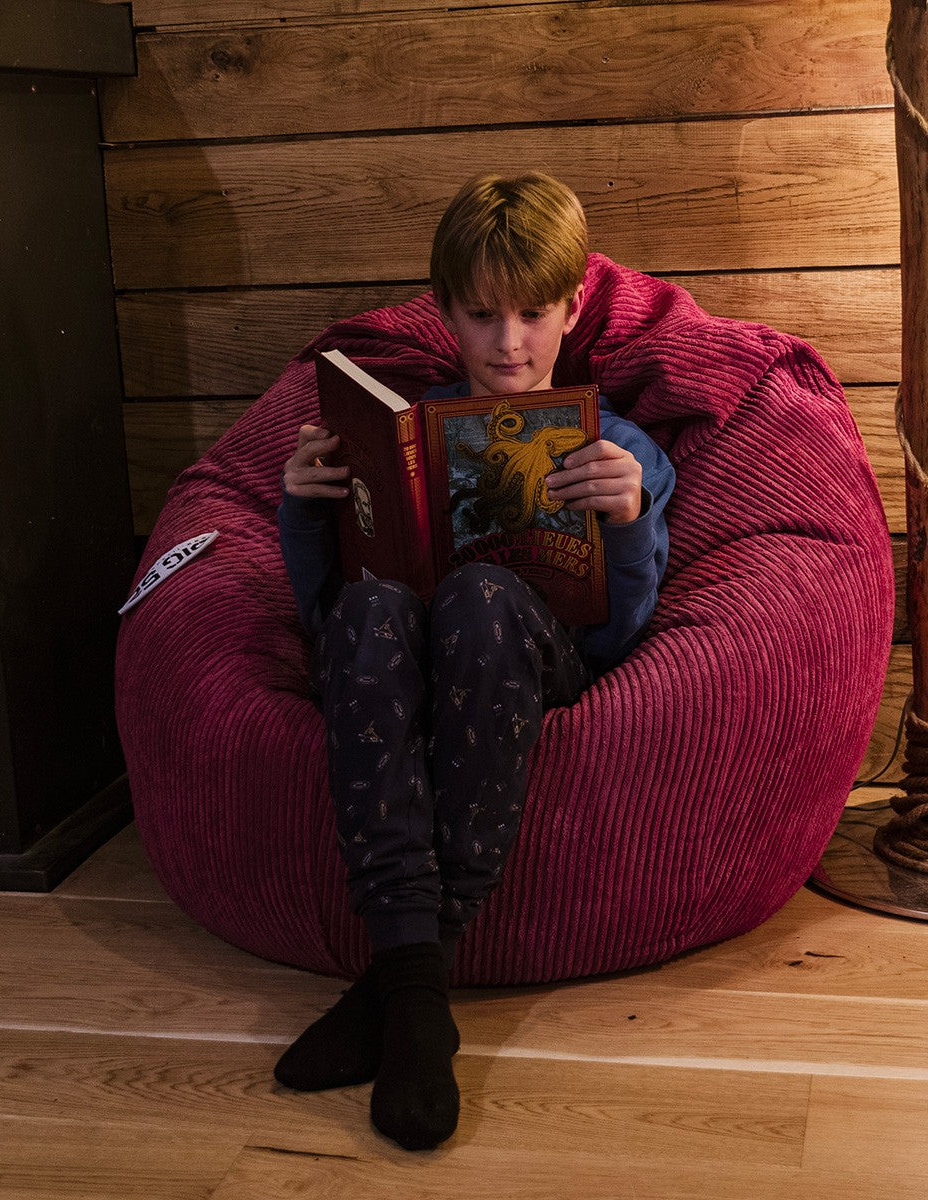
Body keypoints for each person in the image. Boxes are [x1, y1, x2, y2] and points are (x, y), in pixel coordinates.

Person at [273, 172, 676, 1151]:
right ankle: (417, 990)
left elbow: (620, 638)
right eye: (483, 315)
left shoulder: (619, 449)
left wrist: (625, 521)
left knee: (479, 595)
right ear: (445, 313)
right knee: (372, 607)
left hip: (525, 652)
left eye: (534, 314)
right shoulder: (404, 433)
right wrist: (303, 503)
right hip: (396, 647)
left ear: (574, 307)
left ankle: (406, 989)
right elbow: (321, 609)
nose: (509, 344)